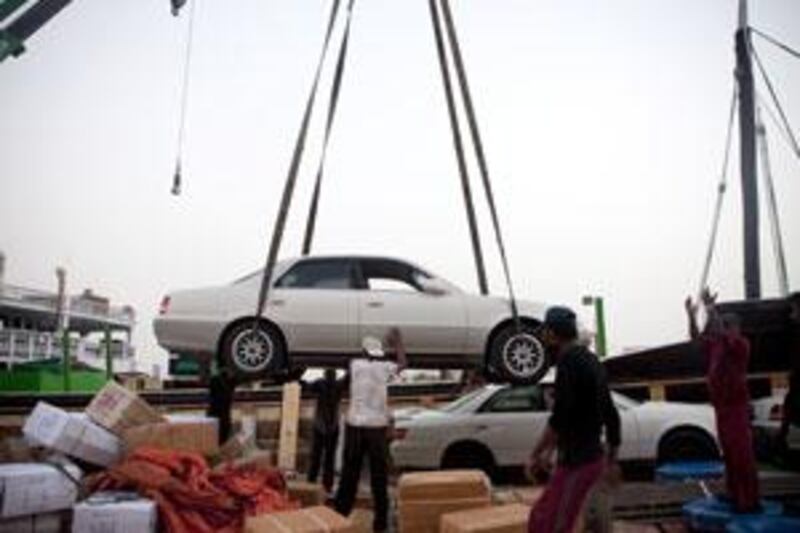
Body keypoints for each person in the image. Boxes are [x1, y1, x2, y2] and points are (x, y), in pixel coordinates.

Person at [527, 306, 621, 533]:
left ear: (551, 334)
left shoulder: (568, 362)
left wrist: (535, 454)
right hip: (588, 460)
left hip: (579, 463)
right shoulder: (591, 361)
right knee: (544, 518)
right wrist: (611, 459)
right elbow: (611, 414)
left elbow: (560, 417)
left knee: (549, 524)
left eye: (546, 332)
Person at [686, 288, 760, 513]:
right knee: (728, 453)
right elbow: (696, 340)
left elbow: (721, 333)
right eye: (724, 326)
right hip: (722, 408)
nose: (724, 330)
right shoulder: (717, 344)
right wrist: (691, 315)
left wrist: (710, 309)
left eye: (729, 327)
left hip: (736, 407)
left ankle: (749, 500)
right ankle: (734, 493)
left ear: (736, 328)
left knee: (742, 455)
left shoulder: (740, 346)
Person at [334, 328, 407, 533]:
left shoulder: (355, 365)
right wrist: (398, 342)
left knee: (349, 475)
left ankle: (339, 517)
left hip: (355, 427)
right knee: (379, 478)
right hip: (376, 428)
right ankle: (380, 525)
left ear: (364, 352)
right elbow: (403, 364)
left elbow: (344, 382)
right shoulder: (385, 367)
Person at [306, 368, 347, 496]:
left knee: (318, 458)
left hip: (323, 425)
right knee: (325, 458)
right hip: (327, 425)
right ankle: (322, 486)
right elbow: (349, 378)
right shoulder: (337, 385)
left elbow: (306, 386)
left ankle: (313, 484)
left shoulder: (321, 383)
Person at [777, 293, 800, 457]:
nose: (791, 315)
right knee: (789, 410)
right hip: (796, 382)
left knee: (790, 410)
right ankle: (781, 444)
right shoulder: (794, 331)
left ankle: (781, 444)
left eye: (794, 310)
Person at [207, 365, 236, 444]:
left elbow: (211, 394)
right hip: (224, 414)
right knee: (223, 437)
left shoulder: (214, 380)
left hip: (214, 413)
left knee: (215, 438)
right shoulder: (231, 381)